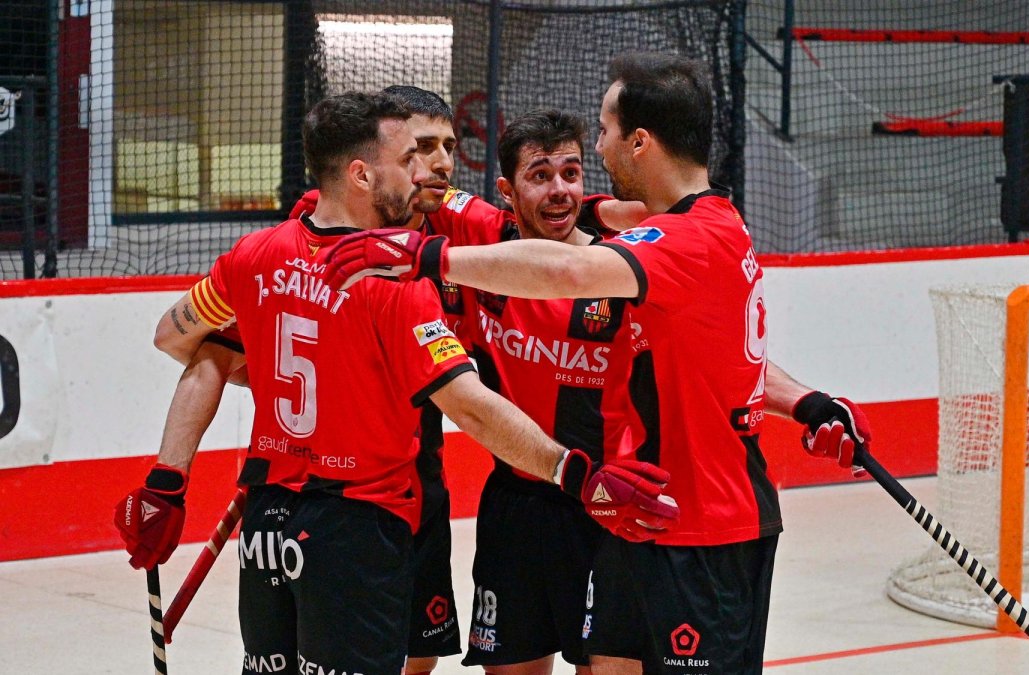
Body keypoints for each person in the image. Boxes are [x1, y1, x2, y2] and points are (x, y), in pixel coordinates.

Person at [320, 54, 873, 675]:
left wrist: (424, 255)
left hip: (644, 506)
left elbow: (568, 269)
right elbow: (706, 358)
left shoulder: (648, 253)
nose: (570, 180)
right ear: (508, 192)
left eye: (588, 155)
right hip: (585, 514)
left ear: (638, 142)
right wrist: (806, 401)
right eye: (541, 175)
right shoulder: (520, 234)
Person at [116, 90, 678, 675]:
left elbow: (184, 341)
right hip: (364, 517)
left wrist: (167, 480)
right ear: (364, 170)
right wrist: (576, 473)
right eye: (413, 153)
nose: (429, 168)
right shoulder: (397, 278)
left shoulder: (258, 251)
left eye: (442, 151)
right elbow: (471, 406)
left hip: (277, 513)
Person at [431, 109, 647, 674]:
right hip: (516, 504)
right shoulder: (480, 234)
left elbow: (689, 211)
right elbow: (419, 186)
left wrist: (603, 209)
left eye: (571, 174)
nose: (559, 191)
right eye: (540, 175)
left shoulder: (622, 263)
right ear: (506, 191)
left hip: (607, 507)